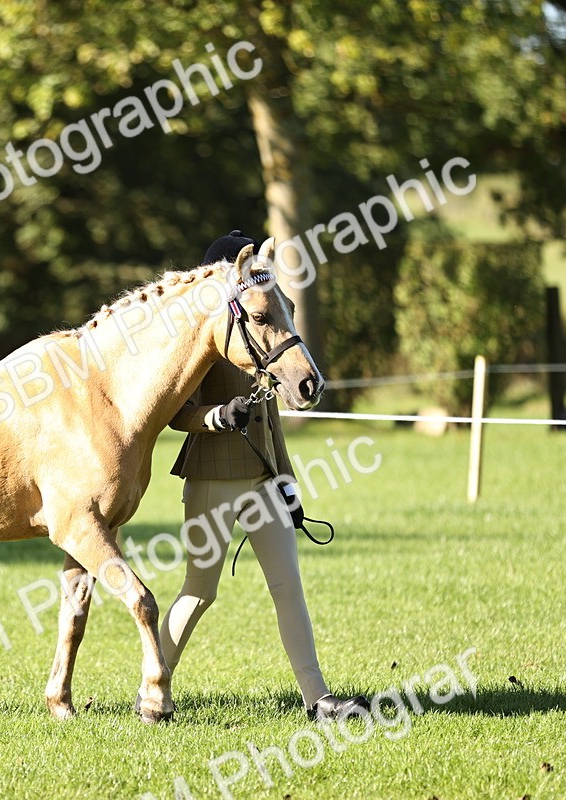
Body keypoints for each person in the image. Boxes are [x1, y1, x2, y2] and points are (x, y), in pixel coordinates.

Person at [161, 229, 369, 720]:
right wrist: (215, 416)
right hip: (212, 476)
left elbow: (271, 421)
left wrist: (288, 483)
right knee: (199, 591)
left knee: (288, 586)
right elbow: (178, 413)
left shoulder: (264, 336)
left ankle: (318, 700)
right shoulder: (204, 342)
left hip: (264, 479)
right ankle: (154, 686)